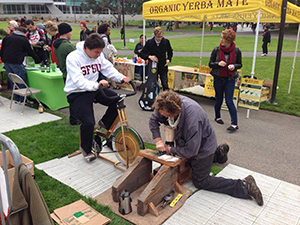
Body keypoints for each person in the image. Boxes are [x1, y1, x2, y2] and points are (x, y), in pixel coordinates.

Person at [149, 90, 263, 206]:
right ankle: (219, 154)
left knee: (200, 180)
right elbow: (153, 119)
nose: (163, 116)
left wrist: (170, 150)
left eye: (166, 115)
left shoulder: (192, 119)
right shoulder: (167, 103)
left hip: (203, 147)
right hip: (193, 142)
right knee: (189, 161)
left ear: (173, 111)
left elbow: (191, 151)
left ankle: (244, 186)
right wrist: (158, 141)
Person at [65, 33, 130, 161]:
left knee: (118, 99)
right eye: (96, 52)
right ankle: (86, 149)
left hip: (94, 88)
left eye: (100, 51)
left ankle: (104, 125)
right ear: (86, 48)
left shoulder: (98, 57)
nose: (99, 54)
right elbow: (78, 81)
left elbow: (108, 68)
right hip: (77, 92)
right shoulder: (73, 58)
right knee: (88, 122)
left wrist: (121, 78)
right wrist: (97, 85)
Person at [209, 29, 242, 131]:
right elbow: (210, 64)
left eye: (223, 38)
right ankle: (217, 116)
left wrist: (234, 66)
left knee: (229, 100)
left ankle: (234, 124)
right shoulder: (216, 50)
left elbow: (240, 64)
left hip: (230, 78)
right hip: (218, 78)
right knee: (218, 98)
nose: (221, 40)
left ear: (229, 40)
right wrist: (218, 64)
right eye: (221, 37)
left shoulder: (236, 51)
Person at [0, 27, 41, 102]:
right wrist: (38, 60)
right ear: (24, 33)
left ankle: (16, 98)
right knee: (21, 80)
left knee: (13, 80)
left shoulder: (7, 38)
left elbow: (2, 49)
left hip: (6, 61)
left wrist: (3, 59)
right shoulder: (23, 39)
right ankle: (22, 99)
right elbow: (30, 51)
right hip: (16, 62)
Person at [53, 23, 79, 125]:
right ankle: (75, 119)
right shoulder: (67, 46)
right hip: (71, 74)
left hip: (64, 73)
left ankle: (74, 118)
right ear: (67, 32)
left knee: (71, 97)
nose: (71, 34)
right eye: (70, 31)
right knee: (75, 98)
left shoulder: (56, 44)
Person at [139, 27, 173, 91]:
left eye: (161, 37)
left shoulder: (166, 41)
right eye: (158, 37)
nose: (159, 39)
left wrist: (168, 59)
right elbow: (142, 53)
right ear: (154, 35)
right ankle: (154, 97)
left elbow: (170, 51)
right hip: (153, 66)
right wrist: (149, 57)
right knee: (153, 84)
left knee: (165, 83)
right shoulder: (150, 42)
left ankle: (166, 98)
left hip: (163, 65)